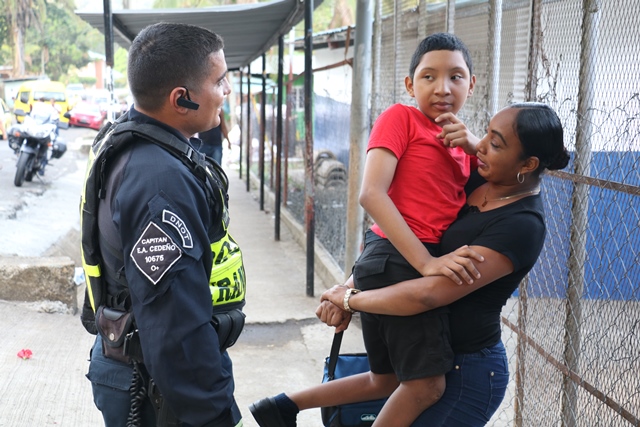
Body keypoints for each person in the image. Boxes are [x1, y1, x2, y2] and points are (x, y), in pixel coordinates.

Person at [250, 32, 485, 427]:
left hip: (387, 261)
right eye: (428, 76)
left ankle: (283, 405)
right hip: (403, 262)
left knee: (387, 378)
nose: (442, 88)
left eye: (456, 76)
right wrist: (426, 264)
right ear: (410, 84)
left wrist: (475, 145)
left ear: (472, 84)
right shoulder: (400, 118)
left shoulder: (463, 143)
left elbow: (510, 173)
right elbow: (372, 194)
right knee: (427, 386)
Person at [317, 102, 570, 426]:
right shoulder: (480, 180)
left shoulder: (522, 225)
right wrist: (349, 286)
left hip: (468, 373)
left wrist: (350, 300)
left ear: (528, 164)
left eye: (494, 143)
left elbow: (430, 293)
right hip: (429, 357)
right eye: (485, 134)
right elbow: (400, 232)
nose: (479, 146)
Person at [82, 22, 245, 427]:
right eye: (219, 81)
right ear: (181, 98)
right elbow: (176, 325)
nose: (226, 90)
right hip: (156, 384)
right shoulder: (160, 182)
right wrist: (216, 413)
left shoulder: (143, 146)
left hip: (146, 371)